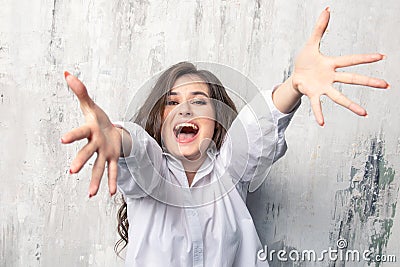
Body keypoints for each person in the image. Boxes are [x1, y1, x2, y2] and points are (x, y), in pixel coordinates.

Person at [61, 8, 388, 266]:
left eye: (199, 101)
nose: (184, 109)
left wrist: (294, 85)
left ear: (217, 123)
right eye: (171, 102)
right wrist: (114, 137)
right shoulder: (150, 175)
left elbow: (254, 129)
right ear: (160, 121)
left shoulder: (231, 169)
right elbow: (137, 148)